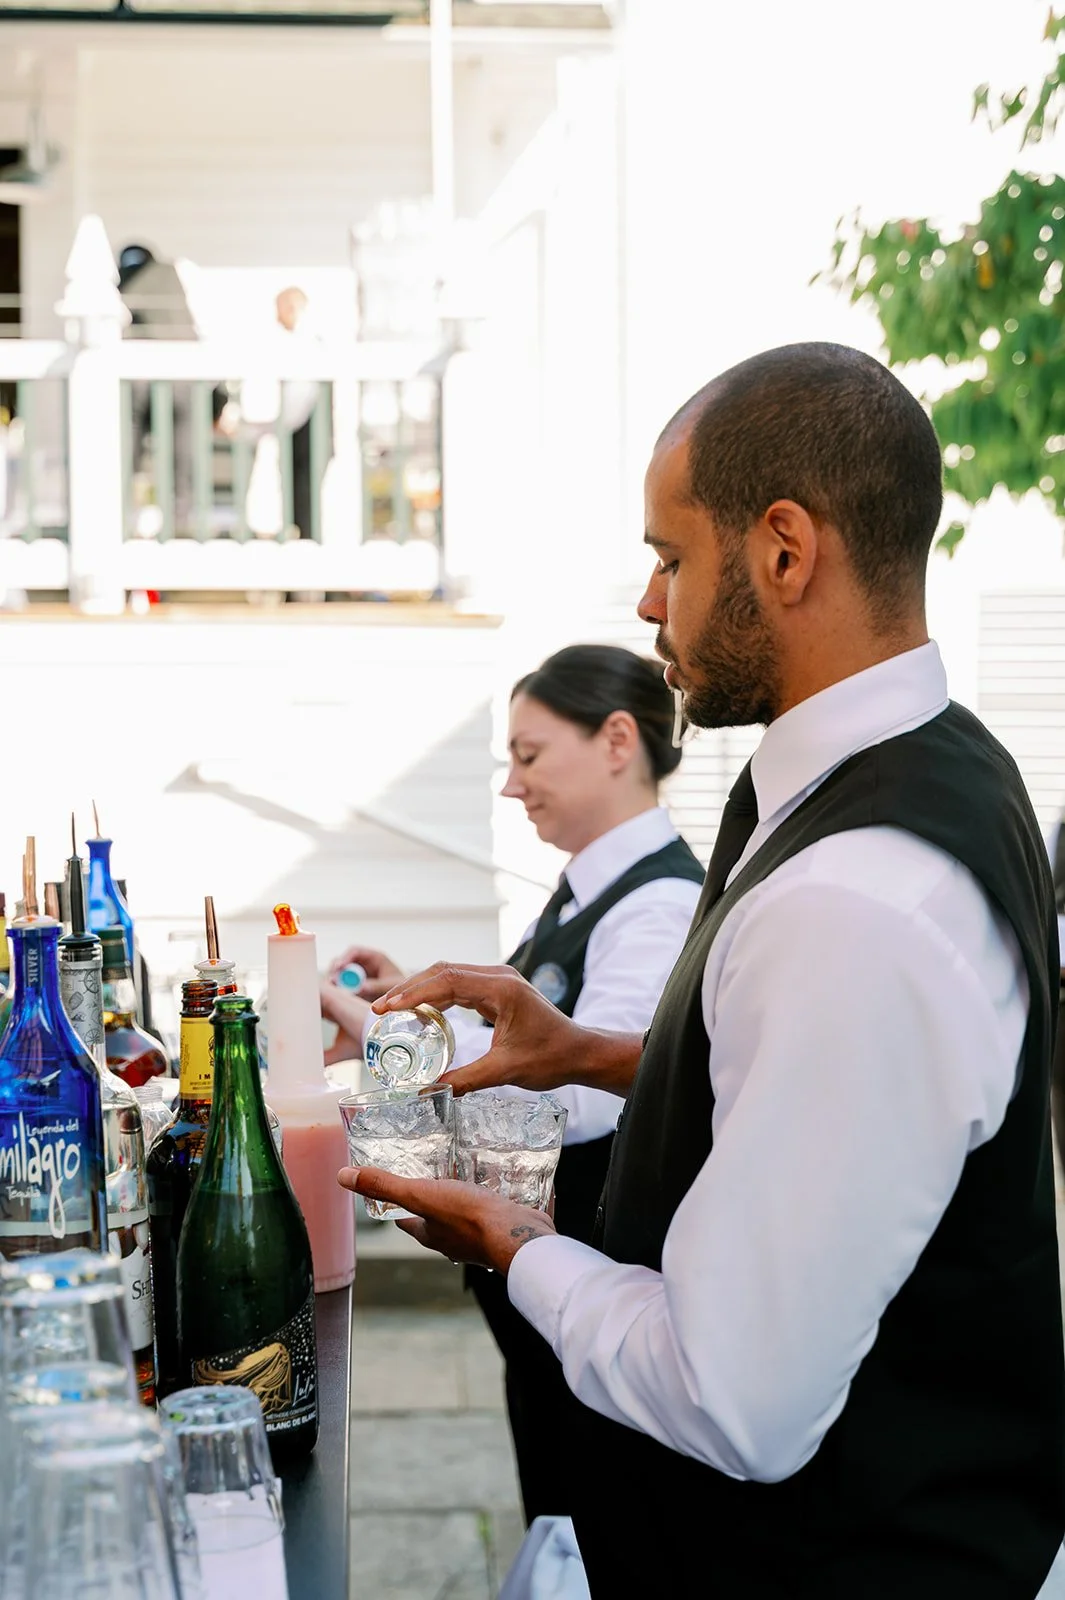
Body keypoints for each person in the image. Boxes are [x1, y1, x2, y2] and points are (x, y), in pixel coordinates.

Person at [339, 342, 1065, 1597]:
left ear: (784, 550)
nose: (646, 601)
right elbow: (841, 1097)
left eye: (670, 558)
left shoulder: (858, 898)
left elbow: (735, 1398)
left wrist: (516, 1239)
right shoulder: (931, 762)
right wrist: (584, 1049)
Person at [322, 643, 704, 1524]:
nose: (509, 785)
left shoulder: (655, 905)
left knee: (590, 1505)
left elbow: (577, 1091)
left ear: (617, 740)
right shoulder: (586, 891)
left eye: (527, 756)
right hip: (543, 1264)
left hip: (595, 1267)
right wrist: (409, 1009)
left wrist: (389, 1039)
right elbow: (533, 1035)